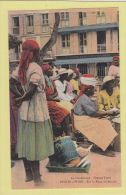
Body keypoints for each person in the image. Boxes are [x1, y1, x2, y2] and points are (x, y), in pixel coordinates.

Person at [9, 40, 54, 186]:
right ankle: (37, 180)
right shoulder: (35, 68)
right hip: (37, 113)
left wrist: (19, 96)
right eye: (39, 51)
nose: (40, 53)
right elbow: (31, 91)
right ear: (35, 53)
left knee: (26, 143)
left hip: (24, 113)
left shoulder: (21, 67)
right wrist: (23, 96)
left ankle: (29, 175)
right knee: (34, 145)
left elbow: (10, 83)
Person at [74, 74, 119, 157]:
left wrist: (106, 114)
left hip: (85, 118)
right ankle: (102, 148)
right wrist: (109, 113)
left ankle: (103, 145)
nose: (94, 90)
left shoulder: (85, 97)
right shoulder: (84, 98)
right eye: (92, 89)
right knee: (104, 124)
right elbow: (94, 113)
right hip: (81, 120)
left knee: (105, 121)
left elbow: (94, 112)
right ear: (87, 90)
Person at [41, 64, 72, 137]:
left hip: (52, 100)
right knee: (65, 112)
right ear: (45, 72)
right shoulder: (42, 81)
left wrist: (52, 97)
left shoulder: (51, 81)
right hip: (46, 102)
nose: (52, 71)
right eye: (50, 70)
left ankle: (64, 132)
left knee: (68, 107)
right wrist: (51, 98)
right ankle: (67, 133)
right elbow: (42, 95)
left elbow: (56, 92)